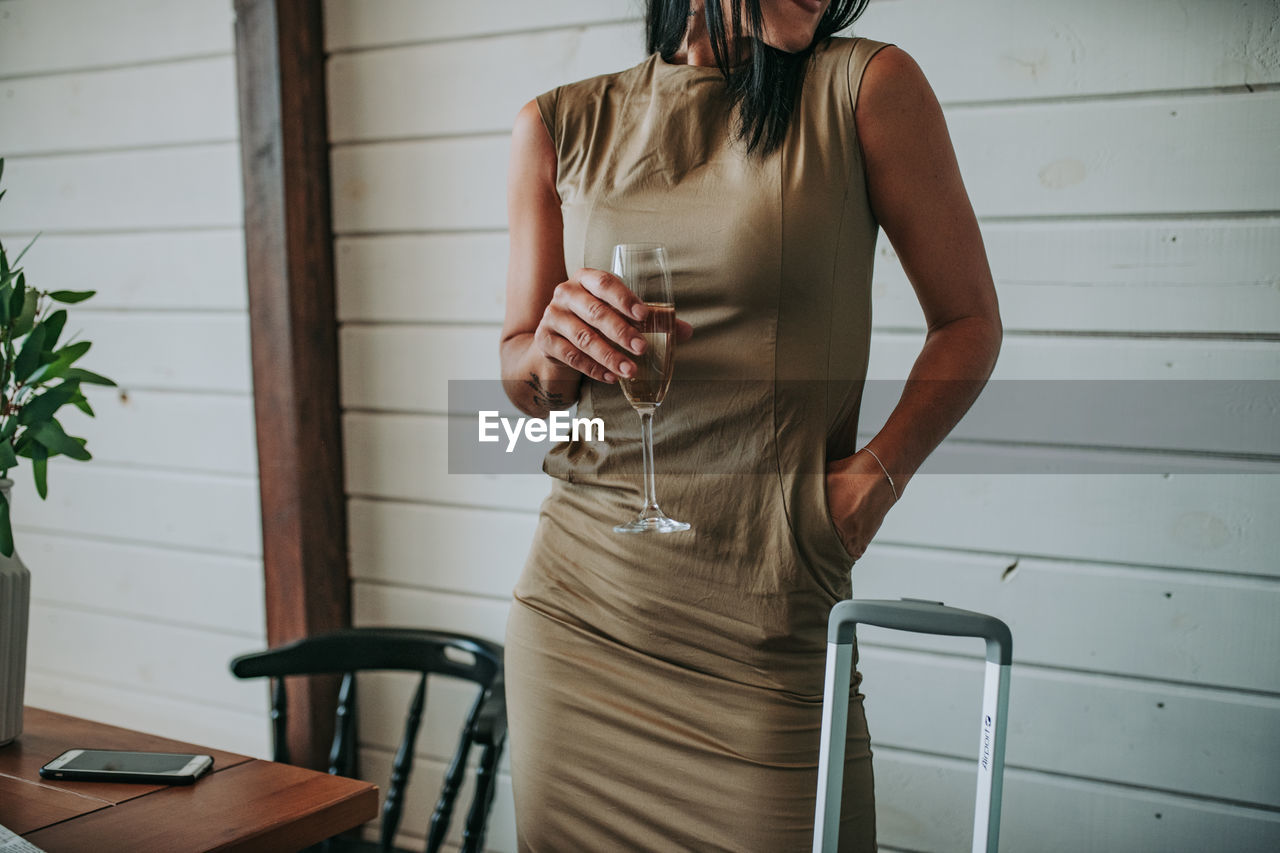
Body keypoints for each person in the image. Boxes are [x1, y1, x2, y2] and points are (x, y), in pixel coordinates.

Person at [499, 0, 1001, 848]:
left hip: (767, 630)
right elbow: (525, 373)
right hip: (579, 621)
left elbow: (968, 320)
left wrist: (871, 484)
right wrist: (548, 349)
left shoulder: (867, 89)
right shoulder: (558, 126)